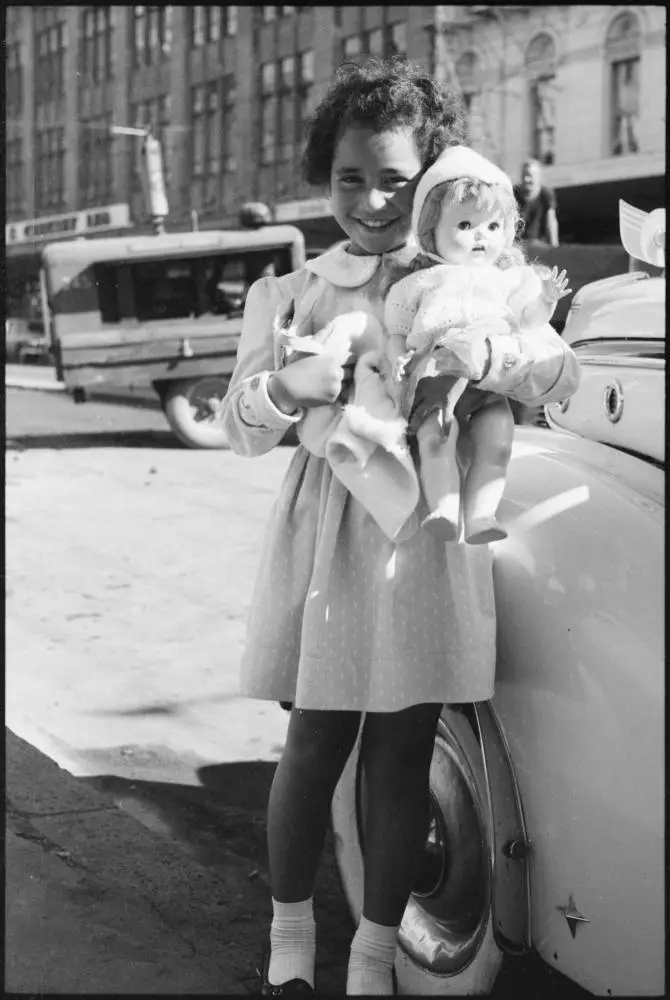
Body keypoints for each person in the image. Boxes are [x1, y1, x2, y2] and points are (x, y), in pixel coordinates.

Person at [221, 57, 580, 997]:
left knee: (403, 756)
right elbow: (237, 428)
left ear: (433, 183)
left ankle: (376, 953)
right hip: (330, 542)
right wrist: (281, 388)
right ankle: (291, 934)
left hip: (428, 538)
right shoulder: (293, 292)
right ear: (321, 176)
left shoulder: (478, 276)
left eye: (395, 179)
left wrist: (492, 354)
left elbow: (559, 376)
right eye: (351, 177)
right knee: (313, 748)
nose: (374, 200)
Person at [384, 145, 571, 543]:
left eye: (492, 226)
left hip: (488, 384)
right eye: (465, 225)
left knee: (498, 441)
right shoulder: (421, 281)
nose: (481, 237)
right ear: (430, 231)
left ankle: (482, 515)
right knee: (436, 440)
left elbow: (529, 322)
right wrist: (398, 357)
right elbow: (396, 327)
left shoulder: (509, 279)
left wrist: (546, 300)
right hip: (437, 377)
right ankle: (443, 509)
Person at [514, 158, 559, 247]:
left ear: (538, 177)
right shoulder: (513, 193)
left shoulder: (546, 195)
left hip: (538, 245)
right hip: (518, 245)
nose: (526, 179)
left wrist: (554, 246)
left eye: (529, 176)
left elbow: (551, 222)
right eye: (524, 176)